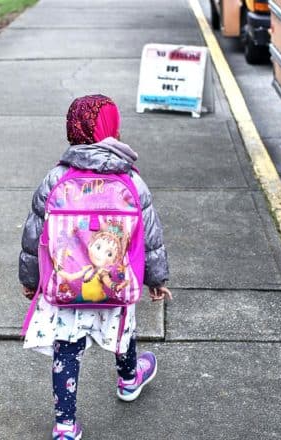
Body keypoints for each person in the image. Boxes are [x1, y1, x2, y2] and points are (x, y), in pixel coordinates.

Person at [18, 94, 171, 440]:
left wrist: (31, 279)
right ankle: (129, 380)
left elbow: (33, 233)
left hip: (65, 286)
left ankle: (65, 426)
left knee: (67, 349)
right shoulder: (129, 178)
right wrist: (156, 278)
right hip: (115, 284)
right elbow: (150, 234)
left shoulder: (56, 178)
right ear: (111, 130)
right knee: (123, 330)